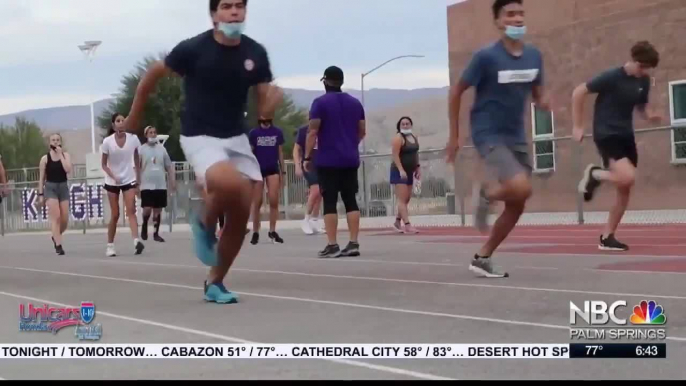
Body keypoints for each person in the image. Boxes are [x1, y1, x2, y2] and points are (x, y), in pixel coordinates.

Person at [125, 0, 283, 304]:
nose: (234, 11)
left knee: (241, 213)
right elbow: (152, 75)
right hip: (200, 135)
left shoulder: (255, 53)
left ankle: (215, 282)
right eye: (226, 6)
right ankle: (204, 221)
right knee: (230, 184)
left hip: (236, 137)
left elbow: (262, 107)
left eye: (239, 6)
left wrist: (270, 106)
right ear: (214, 14)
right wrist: (134, 117)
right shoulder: (193, 49)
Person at [446, 0, 550, 278]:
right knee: (521, 187)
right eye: (510, 14)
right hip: (487, 131)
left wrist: (543, 101)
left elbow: (538, 91)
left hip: (515, 134)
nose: (517, 19)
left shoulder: (534, 56)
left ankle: (483, 256)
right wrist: (454, 136)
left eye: (520, 14)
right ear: (498, 21)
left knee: (517, 203)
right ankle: (487, 194)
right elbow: (457, 91)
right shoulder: (486, 57)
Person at [573, 41, 662, 252]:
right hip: (606, 134)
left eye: (647, 69)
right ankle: (595, 175)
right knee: (628, 176)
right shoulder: (612, 77)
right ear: (633, 61)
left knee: (624, 188)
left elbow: (641, 105)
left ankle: (607, 237)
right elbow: (579, 92)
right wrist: (578, 125)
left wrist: (650, 116)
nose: (644, 72)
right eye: (642, 67)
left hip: (626, 135)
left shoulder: (643, 81)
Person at [304, 66, 366, 258]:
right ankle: (354, 242)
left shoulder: (319, 103)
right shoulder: (355, 103)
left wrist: (307, 156)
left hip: (328, 159)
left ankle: (332, 244)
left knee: (329, 201)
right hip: (349, 158)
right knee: (350, 200)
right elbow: (362, 130)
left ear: (325, 81)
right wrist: (350, 144)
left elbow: (313, 131)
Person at [101, 113, 145, 257]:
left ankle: (136, 241)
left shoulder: (133, 139)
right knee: (115, 214)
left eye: (123, 120)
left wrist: (138, 180)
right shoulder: (107, 142)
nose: (121, 123)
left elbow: (137, 159)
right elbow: (103, 164)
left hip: (128, 179)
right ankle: (110, 245)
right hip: (112, 180)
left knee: (131, 210)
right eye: (118, 121)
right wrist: (113, 176)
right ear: (113, 125)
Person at [248, 117, 285, 245]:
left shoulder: (277, 132)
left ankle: (272, 230)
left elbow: (280, 152)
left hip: (272, 169)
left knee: (274, 200)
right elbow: (251, 152)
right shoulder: (254, 133)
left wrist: (283, 171)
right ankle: (255, 232)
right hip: (257, 170)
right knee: (257, 202)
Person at [37, 134, 73, 255]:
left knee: (64, 218)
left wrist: (61, 155)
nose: (56, 142)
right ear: (49, 143)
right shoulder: (45, 159)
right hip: (50, 187)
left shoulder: (66, 155)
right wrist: (40, 194)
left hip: (63, 187)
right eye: (53, 140)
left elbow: (68, 169)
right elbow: (41, 178)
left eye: (58, 140)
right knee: (56, 217)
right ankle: (58, 245)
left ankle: (55, 235)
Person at [139, 126, 176, 243]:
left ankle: (156, 233)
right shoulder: (141, 149)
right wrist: (136, 183)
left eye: (155, 132)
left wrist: (172, 181)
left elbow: (169, 166)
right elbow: (136, 166)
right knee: (147, 209)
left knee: (158, 210)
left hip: (160, 184)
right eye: (150, 133)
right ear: (146, 135)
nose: (153, 134)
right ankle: (145, 224)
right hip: (146, 185)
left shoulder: (162, 149)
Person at [390, 116, 421, 234]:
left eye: (407, 123)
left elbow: (416, 154)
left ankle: (397, 222)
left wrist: (417, 168)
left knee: (407, 198)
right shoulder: (398, 138)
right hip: (399, 171)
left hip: (410, 171)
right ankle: (407, 225)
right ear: (399, 126)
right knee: (401, 199)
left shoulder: (414, 137)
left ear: (411, 125)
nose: (405, 126)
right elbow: (395, 155)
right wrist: (400, 170)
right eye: (403, 124)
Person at [293, 125, 324, 235]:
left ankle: (314, 220)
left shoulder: (325, 128)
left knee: (320, 192)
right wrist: (297, 165)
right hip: (308, 164)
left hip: (322, 163)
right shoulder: (303, 130)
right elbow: (296, 149)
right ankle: (305, 219)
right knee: (315, 190)